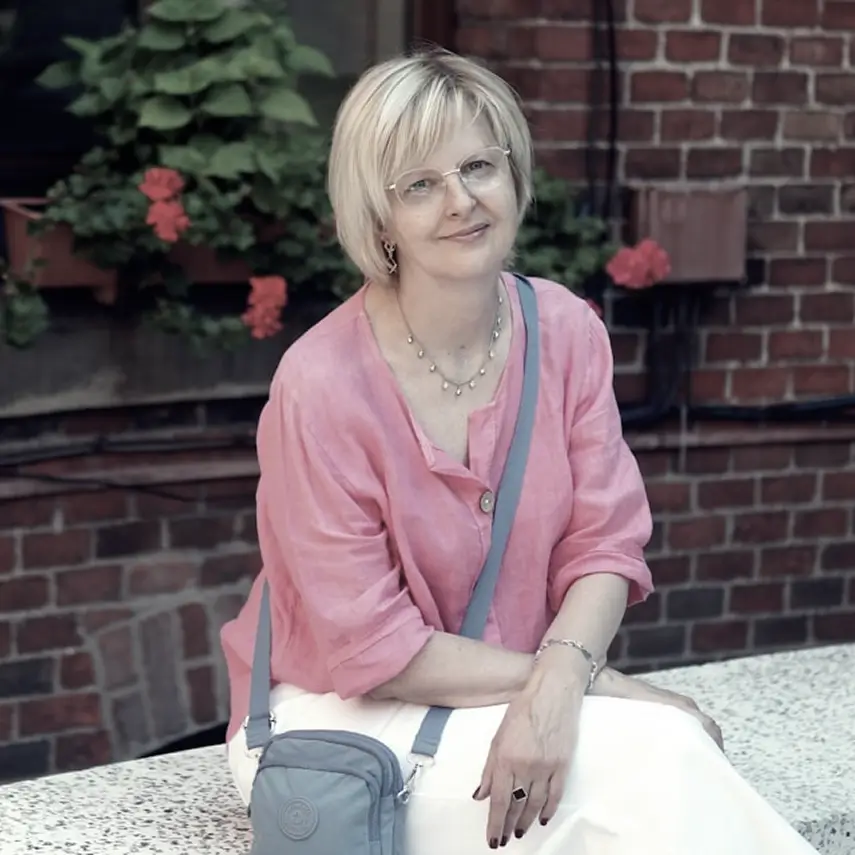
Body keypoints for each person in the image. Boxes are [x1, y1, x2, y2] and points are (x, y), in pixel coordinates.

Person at [220, 49, 818, 854]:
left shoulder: (565, 331)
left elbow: (604, 544)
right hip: (337, 724)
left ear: (513, 174)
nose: (460, 202)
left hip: (501, 696)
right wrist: (582, 681)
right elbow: (372, 648)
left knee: (653, 778)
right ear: (378, 216)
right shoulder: (319, 384)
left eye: (477, 166)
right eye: (419, 184)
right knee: (658, 762)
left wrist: (556, 686)